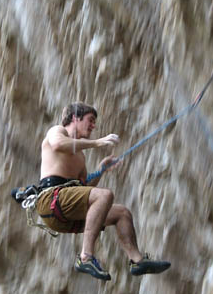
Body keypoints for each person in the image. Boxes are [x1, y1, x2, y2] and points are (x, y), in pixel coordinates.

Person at [35, 101, 171, 281]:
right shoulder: (57, 131)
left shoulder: (80, 157)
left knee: (122, 213)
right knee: (105, 195)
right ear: (75, 118)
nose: (93, 126)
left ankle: (137, 260)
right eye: (90, 120)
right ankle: (86, 257)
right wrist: (98, 143)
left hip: (65, 211)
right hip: (51, 199)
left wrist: (101, 169)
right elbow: (59, 144)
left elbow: (85, 189)